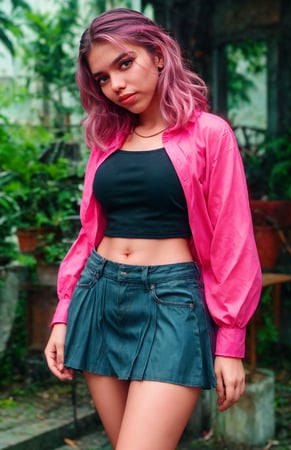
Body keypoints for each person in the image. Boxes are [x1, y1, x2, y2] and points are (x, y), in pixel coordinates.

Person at [44, 7, 262, 450]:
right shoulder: (106, 140)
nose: (116, 85)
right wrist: (64, 314)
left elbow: (232, 239)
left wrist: (231, 341)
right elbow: (90, 232)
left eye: (124, 63)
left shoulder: (208, 134)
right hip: (99, 295)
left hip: (172, 304)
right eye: (102, 77)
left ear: (159, 55)